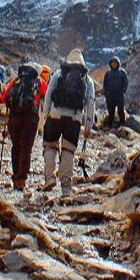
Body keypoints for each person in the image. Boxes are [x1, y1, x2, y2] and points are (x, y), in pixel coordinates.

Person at [39, 48, 96, 197]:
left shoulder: (59, 73)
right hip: (74, 118)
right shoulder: (87, 79)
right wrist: (88, 125)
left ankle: (50, 178)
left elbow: (49, 95)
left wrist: (45, 116)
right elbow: (90, 103)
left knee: (50, 146)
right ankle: (66, 187)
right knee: (68, 151)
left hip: (55, 114)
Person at [0, 62, 48, 191]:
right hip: (30, 119)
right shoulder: (39, 82)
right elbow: (48, 97)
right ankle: (21, 179)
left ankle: (15, 177)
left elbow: (3, 98)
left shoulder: (16, 80)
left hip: (14, 118)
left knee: (16, 147)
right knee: (26, 149)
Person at [103, 56, 129, 127]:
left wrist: (123, 90)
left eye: (115, 63)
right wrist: (106, 93)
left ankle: (122, 124)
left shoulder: (122, 72)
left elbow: (126, 82)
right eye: (112, 63)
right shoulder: (108, 73)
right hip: (110, 95)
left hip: (119, 94)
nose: (113, 64)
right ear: (110, 64)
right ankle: (109, 125)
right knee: (111, 110)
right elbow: (105, 84)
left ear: (118, 64)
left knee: (120, 110)